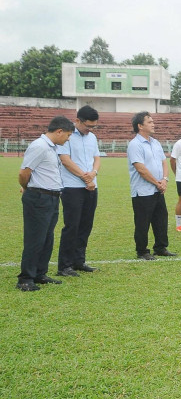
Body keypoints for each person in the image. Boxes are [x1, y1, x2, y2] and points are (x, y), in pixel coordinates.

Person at [17, 115, 74, 291]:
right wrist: (28, 188)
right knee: (35, 238)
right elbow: (24, 173)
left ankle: (40, 273)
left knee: (47, 238)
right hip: (39, 197)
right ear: (59, 131)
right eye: (68, 135)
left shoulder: (51, 148)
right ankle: (25, 278)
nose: (68, 138)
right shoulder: (39, 146)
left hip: (52, 197)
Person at [56, 105, 101, 277]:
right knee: (72, 226)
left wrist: (93, 174)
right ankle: (64, 266)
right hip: (72, 187)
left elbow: (97, 158)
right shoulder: (67, 136)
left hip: (91, 186)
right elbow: (65, 160)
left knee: (85, 225)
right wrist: (84, 177)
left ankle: (78, 261)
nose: (90, 130)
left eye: (93, 127)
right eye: (87, 126)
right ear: (77, 121)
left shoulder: (92, 138)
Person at [128, 112, 175, 260]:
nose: (153, 124)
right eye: (149, 122)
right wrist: (157, 182)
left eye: (153, 121)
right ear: (140, 126)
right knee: (143, 222)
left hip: (158, 189)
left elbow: (163, 162)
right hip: (142, 191)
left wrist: (165, 179)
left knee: (161, 219)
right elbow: (140, 168)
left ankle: (160, 247)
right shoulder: (135, 144)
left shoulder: (155, 143)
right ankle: (142, 251)